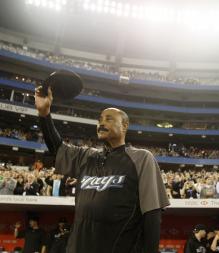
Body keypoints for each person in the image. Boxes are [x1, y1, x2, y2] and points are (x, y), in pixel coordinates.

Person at [35, 86, 170, 253]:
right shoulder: (86, 156)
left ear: (125, 126)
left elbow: (152, 214)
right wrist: (44, 113)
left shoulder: (141, 158)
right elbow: (58, 149)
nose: (101, 123)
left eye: (109, 119)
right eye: (100, 120)